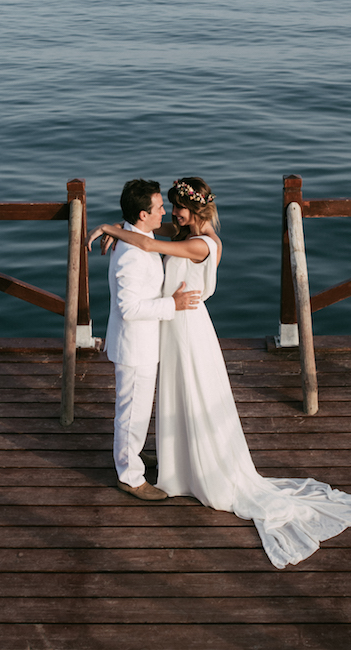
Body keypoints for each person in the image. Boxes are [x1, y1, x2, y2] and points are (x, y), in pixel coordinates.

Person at [88, 177, 351, 568]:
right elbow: (143, 241)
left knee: (193, 395)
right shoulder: (184, 233)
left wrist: (113, 228)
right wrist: (123, 230)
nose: (171, 213)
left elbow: (147, 242)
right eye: (166, 207)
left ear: (196, 210)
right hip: (170, 325)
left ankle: (189, 466)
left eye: (177, 207)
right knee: (175, 397)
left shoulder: (200, 244)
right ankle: (175, 461)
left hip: (185, 325)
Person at [102, 179, 201, 502]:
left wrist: (116, 227)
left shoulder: (139, 236)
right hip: (134, 345)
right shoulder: (131, 253)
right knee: (132, 412)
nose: (164, 213)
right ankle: (129, 477)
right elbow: (128, 309)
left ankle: (133, 456)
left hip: (144, 342)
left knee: (139, 410)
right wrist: (173, 304)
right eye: (159, 208)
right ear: (144, 214)